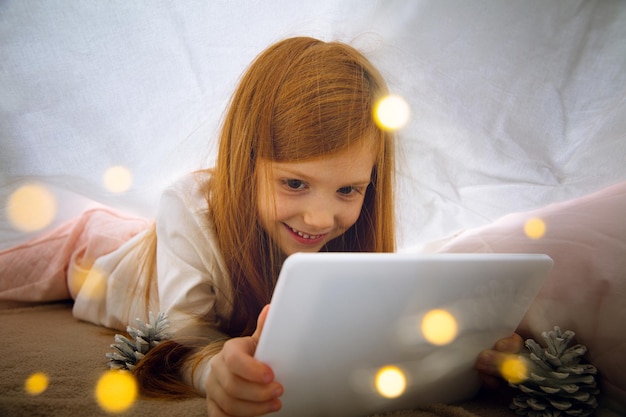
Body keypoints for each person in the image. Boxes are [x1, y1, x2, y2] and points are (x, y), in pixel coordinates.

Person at [0, 36, 517, 416]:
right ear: (244, 162)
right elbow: (182, 336)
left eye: (348, 190)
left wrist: (467, 352)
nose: (321, 217)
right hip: (96, 256)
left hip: (160, 244)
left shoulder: (346, 235)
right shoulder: (187, 206)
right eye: (294, 183)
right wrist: (210, 369)